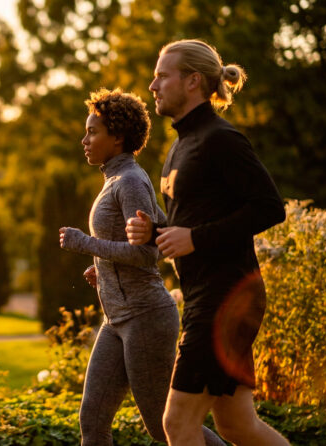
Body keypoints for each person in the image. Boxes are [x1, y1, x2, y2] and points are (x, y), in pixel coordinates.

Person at [125, 39, 289, 446]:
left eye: (163, 75)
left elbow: (270, 207)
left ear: (193, 81)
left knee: (177, 423)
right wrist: (156, 234)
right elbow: (191, 227)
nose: (152, 85)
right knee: (237, 427)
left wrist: (196, 238)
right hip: (208, 297)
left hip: (226, 299)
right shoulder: (179, 147)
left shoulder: (222, 139)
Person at [59, 88, 224, 446]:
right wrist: (101, 266)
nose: (84, 139)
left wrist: (85, 244)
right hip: (115, 320)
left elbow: (147, 253)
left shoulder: (130, 180)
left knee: (163, 425)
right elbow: (158, 233)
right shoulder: (117, 179)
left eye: (92, 132)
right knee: (92, 421)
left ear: (117, 137)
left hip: (146, 317)